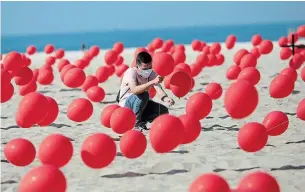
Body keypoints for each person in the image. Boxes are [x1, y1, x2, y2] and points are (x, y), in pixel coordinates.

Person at [118, 51, 175, 131]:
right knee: (144, 94)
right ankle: (136, 124)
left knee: (163, 111)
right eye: (145, 69)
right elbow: (134, 90)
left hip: (141, 104)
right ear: (137, 66)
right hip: (126, 106)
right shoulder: (131, 72)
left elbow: (158, 89)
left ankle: (142, 122)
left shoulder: (152, 74)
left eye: (150, 68)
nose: (148, 71)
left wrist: (166, 98)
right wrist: (152, 82)